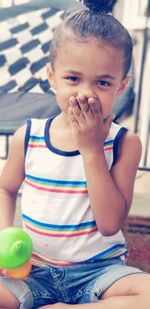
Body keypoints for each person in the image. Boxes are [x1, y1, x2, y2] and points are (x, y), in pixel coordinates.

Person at [0, 0, 150, 308]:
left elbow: (109, 225)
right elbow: (5, 187)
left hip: (99, 272)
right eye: (73, 78)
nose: (85, 92)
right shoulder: (27, 137)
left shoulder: (126, 143)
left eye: (102, 82)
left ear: (120, 87)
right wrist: (6, 239)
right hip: (33, 271)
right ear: (52, 77)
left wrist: (92, 149)